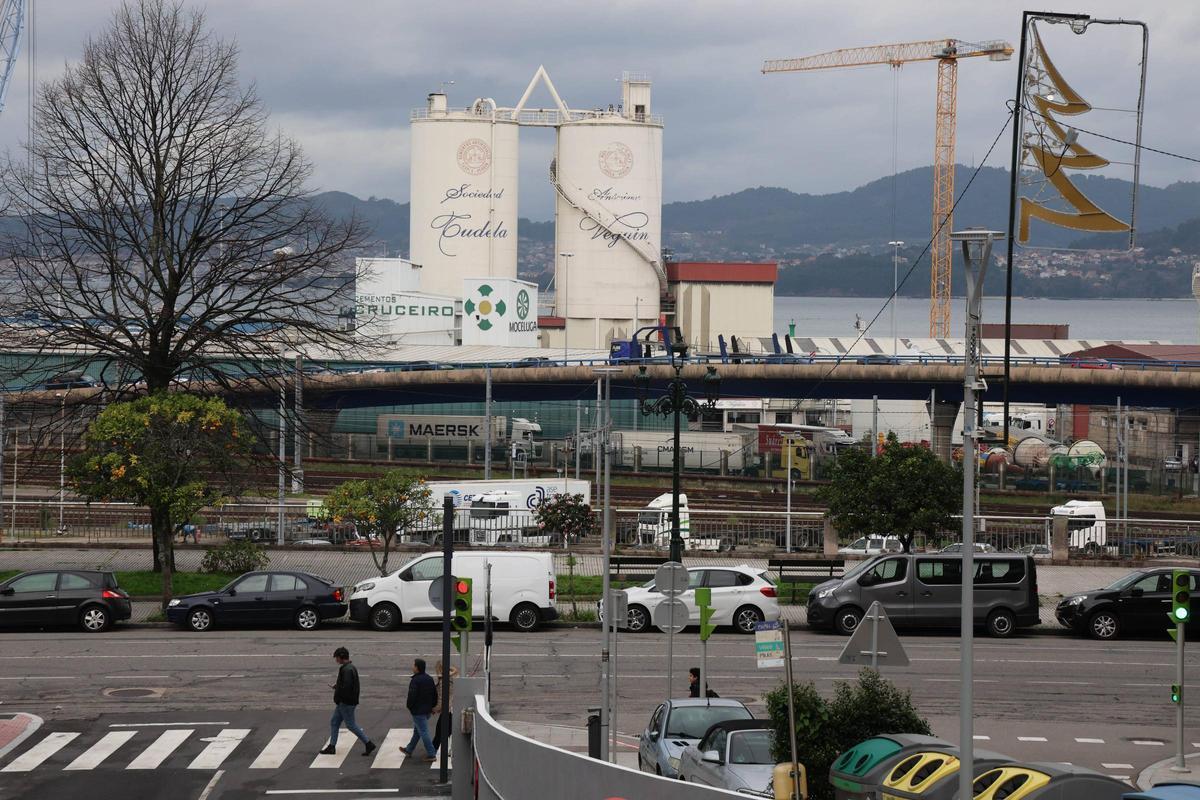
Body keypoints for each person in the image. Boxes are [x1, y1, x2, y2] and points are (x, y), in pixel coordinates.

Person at [319, 647, 375, 756]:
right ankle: (332, 746)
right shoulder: (350, 667)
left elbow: (347, 687)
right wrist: (338, 686)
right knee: (334, 722)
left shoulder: (347, 669)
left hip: (346, 702)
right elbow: (347, 684)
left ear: (341, 657)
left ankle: (368, 743)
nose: (336, 660)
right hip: (345, 702)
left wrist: (339, 694)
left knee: (350, 725)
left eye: (337, 658)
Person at [403, 658, 438, 761]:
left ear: (417, 668)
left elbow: (411, 696)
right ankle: (409, 749)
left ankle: (431, 754)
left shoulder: (415, 680)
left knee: (423, 731)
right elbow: (434, 694)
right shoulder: (429, 679)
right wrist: (432, 706)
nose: (412, 667)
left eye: (413, 665)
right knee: (417, 731)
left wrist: (409, 707)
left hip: (418, 711)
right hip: (427, 710)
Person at [430, 661, 459, 752]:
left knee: (440, 731)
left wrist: (435, 709)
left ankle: (432, 751)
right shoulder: (454, 676)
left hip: (448, 710)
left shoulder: (444, 681)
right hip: (454, 708)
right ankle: (448, 749)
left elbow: (442, 698)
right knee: (449, 731)